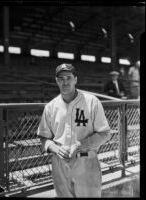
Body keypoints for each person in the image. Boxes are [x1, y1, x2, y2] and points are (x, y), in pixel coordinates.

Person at [37, 63, 111, 197]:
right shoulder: (50, 107)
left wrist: (81, 145)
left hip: (85, 161)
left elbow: (105, 133)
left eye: (68, 78)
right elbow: (43, 137)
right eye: (61, 79)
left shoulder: (91, 102)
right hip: (60, 163)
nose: (65, 82)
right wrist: (55, 148)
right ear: (56, 81)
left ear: (75, 79)